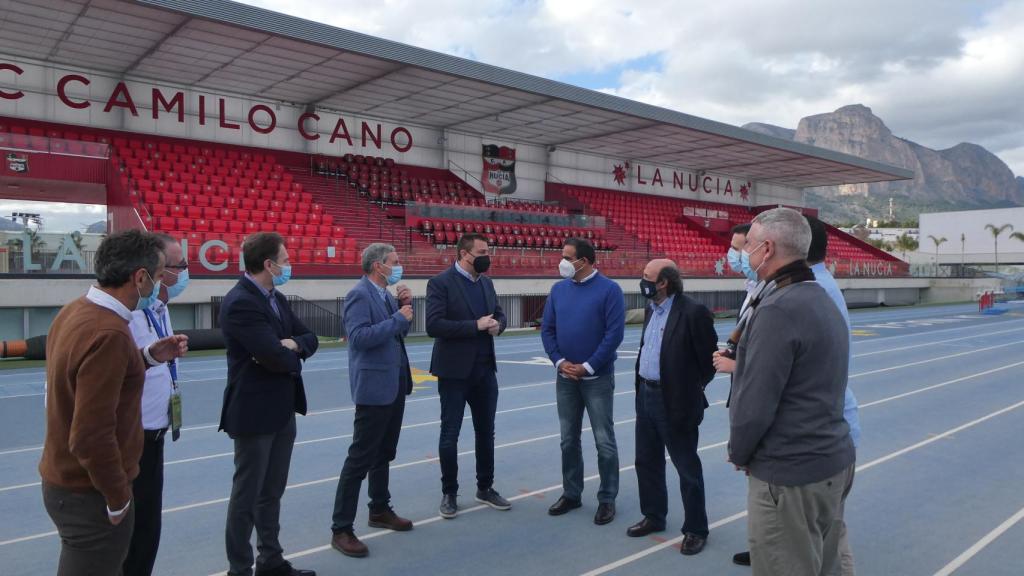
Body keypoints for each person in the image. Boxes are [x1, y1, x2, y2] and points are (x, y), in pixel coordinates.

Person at [40, 229, 188, 576]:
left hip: (65, 482)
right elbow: (90, 435)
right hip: (88, 492)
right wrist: (119, 496)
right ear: (139, 278)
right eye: (156, 276)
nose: (158, 286)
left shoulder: (76, 310)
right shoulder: (110, 332)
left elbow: (91, 379)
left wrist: (148, 357)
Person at [721, 216, 862, 570]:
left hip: (790, 472)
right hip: (831, 458)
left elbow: (756, 401)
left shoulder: (780, 308)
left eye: (747, 243)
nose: (742, 252)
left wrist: (739, 451)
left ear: (766, 249)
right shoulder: (820, 296)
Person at [220, 232, 319, 576]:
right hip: (254, 412)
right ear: (268, 264)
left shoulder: (275, 297)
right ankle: (239, 568)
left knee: (272, 492)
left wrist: (292, 346)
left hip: (281, 408)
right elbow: (273, 356)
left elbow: (310, 337)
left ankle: (271, 560)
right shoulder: (241, 302)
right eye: (286, 260)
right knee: (246, 497)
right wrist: (289, 350)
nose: (289, 265)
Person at [628, 260, 718, 555]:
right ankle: (654, 515)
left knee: (686, 467)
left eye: (646, 277)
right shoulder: (651, 310)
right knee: (646, 461)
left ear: (664, 282)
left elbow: (708, 361)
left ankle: (695, 529)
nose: (642, 282)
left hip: (676, 400)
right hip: (646, 396)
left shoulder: (693, 312)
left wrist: (690, 390)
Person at [331, 243, 414, 558]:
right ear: (378, 266)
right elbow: (359, 337)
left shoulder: (386, 295)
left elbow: (395, 336)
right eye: (394, 261)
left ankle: (379, 508)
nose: (398, 265)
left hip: (393, 384)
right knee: (360, 458)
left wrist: (402, 308)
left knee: (384, 452)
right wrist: (398, 318)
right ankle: (341, 528)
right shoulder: (359, 295)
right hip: (374, 387)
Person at [425, 233, 511, 519]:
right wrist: (474, 325)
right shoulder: (440, 283)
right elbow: (434, 325)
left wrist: (500, 324)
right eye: (483, 251)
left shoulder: (486, 283)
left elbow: (500, 314)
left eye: (489, 249)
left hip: (485, 370)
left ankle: (485, 487)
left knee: (486, 432)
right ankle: (449, 492)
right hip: (454, 372)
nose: (488, 255)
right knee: (450, 433)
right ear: (464, 254)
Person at [541, 238, 625, 525]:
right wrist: (560, 362)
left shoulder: (610, 290)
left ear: (585, 261)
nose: (561, 261)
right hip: (565, 378)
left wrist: (588, 366)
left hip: (597, 379)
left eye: (567, 257)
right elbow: (547, 330)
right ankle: (572, 493)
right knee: (568, 440)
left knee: (604, 440)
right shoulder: (558, 290)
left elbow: (613, 335)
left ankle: (607, 498)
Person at [123, 233, 190, 576]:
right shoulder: (127, 317)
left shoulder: (158, 309)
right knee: (133, 532)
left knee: (148, 529)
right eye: (177, 266)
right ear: (153, 271)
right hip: (132, 437)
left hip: (154, 432)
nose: (181, 273)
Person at [806, 215, 860, 576]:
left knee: (828, 535)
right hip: (828, 428)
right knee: (823, 533)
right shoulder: (816, 287)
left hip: (823, 434)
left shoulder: (814, 294)